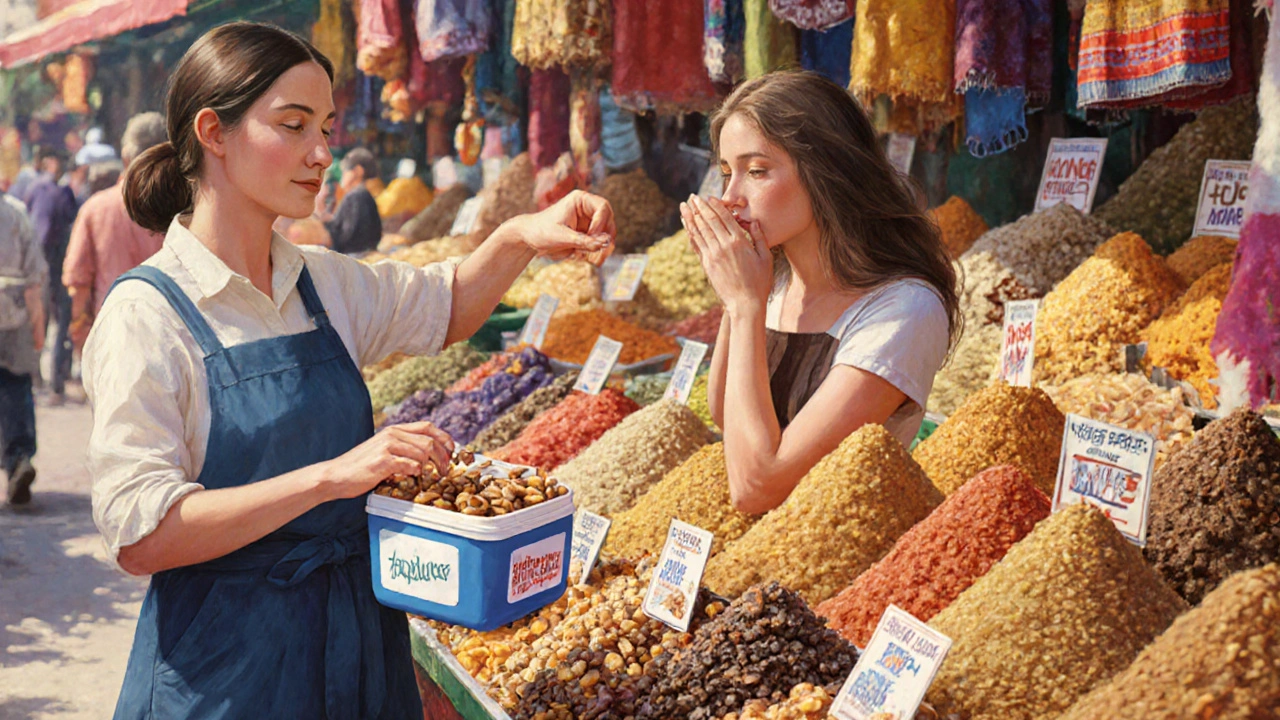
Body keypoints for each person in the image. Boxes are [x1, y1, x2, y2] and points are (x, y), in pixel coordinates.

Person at [84, 22, 612, 718]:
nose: (322, 153)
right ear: (214, 131)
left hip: (356, 647)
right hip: (226, 669)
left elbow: (444, 305)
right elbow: (141, 535)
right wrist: (332, 478)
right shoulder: (148, 316)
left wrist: (519, 237)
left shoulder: (323, 283)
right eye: (294, 125)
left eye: (327, 127)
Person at [681, 71, 962, 515]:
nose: (731, 196)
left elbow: (757, 487)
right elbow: (723, 412)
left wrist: (744, 304)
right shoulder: (773, 280)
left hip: (841, 556)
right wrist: (737, 297)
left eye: (756, 171)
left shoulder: (904, 309)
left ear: (827, 172)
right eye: (725, 173)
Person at [63, 112, 167, 347]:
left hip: (112, 339)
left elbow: (78, 284)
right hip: (171, 340)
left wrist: (80, 334)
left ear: (125, 156)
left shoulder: (96, 209)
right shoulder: (186, 209)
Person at [0, 185, 46, 505]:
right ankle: (18, 459)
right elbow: (33, 279)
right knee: (16, 385)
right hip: (13, 311)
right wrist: (37, 324)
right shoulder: (16, 212)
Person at [23, 146, 78, 404]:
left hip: (54, 263)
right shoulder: (40, 189)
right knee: (44, 321)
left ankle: (52, 380)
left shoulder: (61, 191)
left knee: (55, 321)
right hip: (44, 264)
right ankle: (39, 379)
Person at [321, 146, 382, 254]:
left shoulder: (355, 196)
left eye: (345, 171)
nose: (342, 176)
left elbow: (348, 235)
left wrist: (327, 225)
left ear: (358, 171)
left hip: (354, 256)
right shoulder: (364, 195)